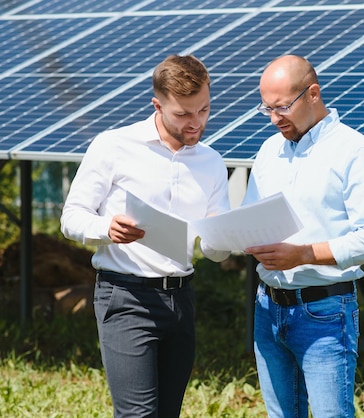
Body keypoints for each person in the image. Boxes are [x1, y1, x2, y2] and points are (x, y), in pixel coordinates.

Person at [60, 54, 231, 418]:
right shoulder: (113, 146)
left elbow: (216, 250)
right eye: (183, 114)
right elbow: (71, 218)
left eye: (203, 110)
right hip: (126, 297)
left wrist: (225, 237)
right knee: (138, 415)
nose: (196, 123)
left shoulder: (213, 162)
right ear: (157, 105)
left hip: (181, 299)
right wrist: (107, 229)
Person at [243, 55, 364, 418]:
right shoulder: (268, 151)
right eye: (267, 108)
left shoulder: (354, 151)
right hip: (267, 308)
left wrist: (304, 254)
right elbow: (250, 219)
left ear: (313, 93)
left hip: (324, 312)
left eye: (282, 107)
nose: (275, 118)